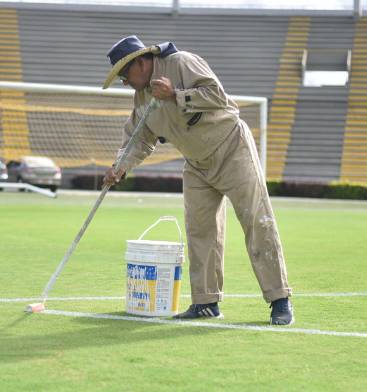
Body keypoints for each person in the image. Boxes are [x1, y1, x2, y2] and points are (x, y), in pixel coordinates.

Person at [102, 36, 294, 325]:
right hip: (196, 163)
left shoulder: (181, 63)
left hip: (232, 149)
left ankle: (280, 299)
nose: (124, 82)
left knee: (257, 221)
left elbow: (218, 96)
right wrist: (120, 166)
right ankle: (206, 303)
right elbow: (139, 139)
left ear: (139, 63)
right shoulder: (141, 98)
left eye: (123, 75)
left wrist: (176, 96)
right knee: (199, 231)